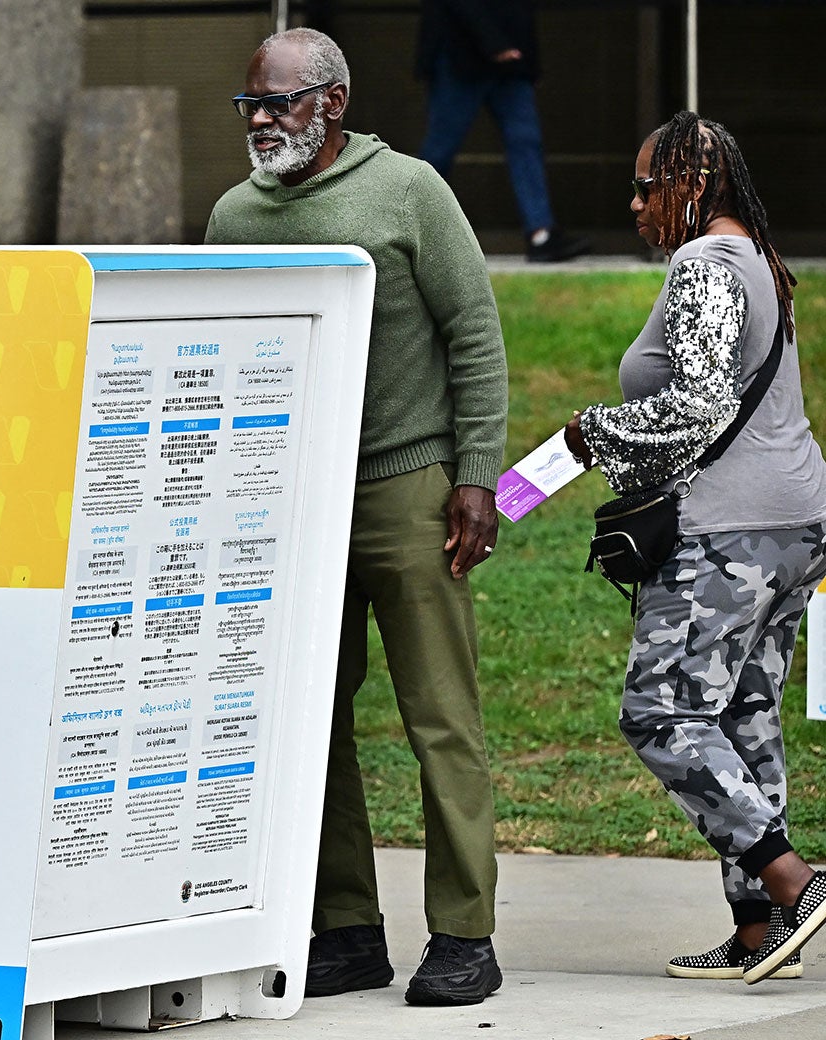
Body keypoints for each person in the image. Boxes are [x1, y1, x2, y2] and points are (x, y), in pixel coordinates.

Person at [206, 27, 508, 1006]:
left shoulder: (409, 190)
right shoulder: (234, 217)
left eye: (279, 103)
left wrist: (476, 476)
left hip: (406, 487)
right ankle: (345, 926)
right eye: (250, 105)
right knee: (309, 721)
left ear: (332, 101)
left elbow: (474, 332)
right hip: (293, 499)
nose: (261, 121)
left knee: (440, 718)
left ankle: (464, 933)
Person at [565, 111, 826, 984]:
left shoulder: (706, 265)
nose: (636, 203)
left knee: (660, 711)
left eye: (648, 186)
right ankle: (761, 931)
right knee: (742, 715)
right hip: (794, 523)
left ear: (693, 184)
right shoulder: (759, 259)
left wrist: (591, 434)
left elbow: (695, 408)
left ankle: (796, 884)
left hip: (730, 532)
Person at [416, 0, 591, 263]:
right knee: (439, 151)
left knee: (526, 143)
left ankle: (541, 234)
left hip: (510, 61)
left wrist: (529, 63)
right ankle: (405, 228)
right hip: (459, 54)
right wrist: (494, 44)